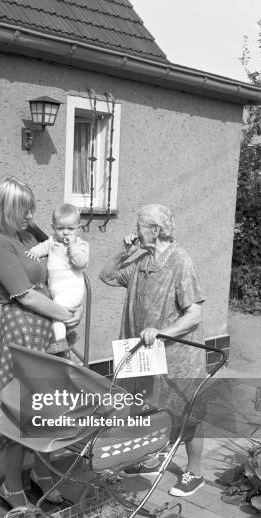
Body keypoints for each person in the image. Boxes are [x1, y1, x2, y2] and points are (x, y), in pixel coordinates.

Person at [0, 176, 82, 508]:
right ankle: (11, 485)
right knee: (22, 409)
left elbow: (62, 252)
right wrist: (66, 315)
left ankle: (41, 473)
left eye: (31, 210)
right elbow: (25, 296)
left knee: (48, 407)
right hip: (22, 327)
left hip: (45, 325)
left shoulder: (24, 234)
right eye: (24, 211)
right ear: (7, 211)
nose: (31, 216)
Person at [100, 204, 207, 497]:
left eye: (139, 227)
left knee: (188, 414)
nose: (135, 232)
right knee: (150, 406)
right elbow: (106, 276)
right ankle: (154, 455)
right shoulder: (140, 260)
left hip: (178, 356)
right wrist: (123, 252)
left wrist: (163, 332)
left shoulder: (180, 260)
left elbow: (194, 314)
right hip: (147, 354)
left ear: (156, 230)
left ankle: (195, 472)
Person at [26, 203, 89, 354]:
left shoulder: (81, 244)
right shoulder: (52, 241)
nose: (65, 233)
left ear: (78, 228)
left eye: (71, 229)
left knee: (56, 312)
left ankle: (61, 342)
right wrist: (34, 252)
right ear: (53, 227)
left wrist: (72, 247)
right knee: (59, 317)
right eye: (61, 229)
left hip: (72, 289)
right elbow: (43, 247)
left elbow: (81, 263)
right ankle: (68, 336)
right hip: (57, 290)